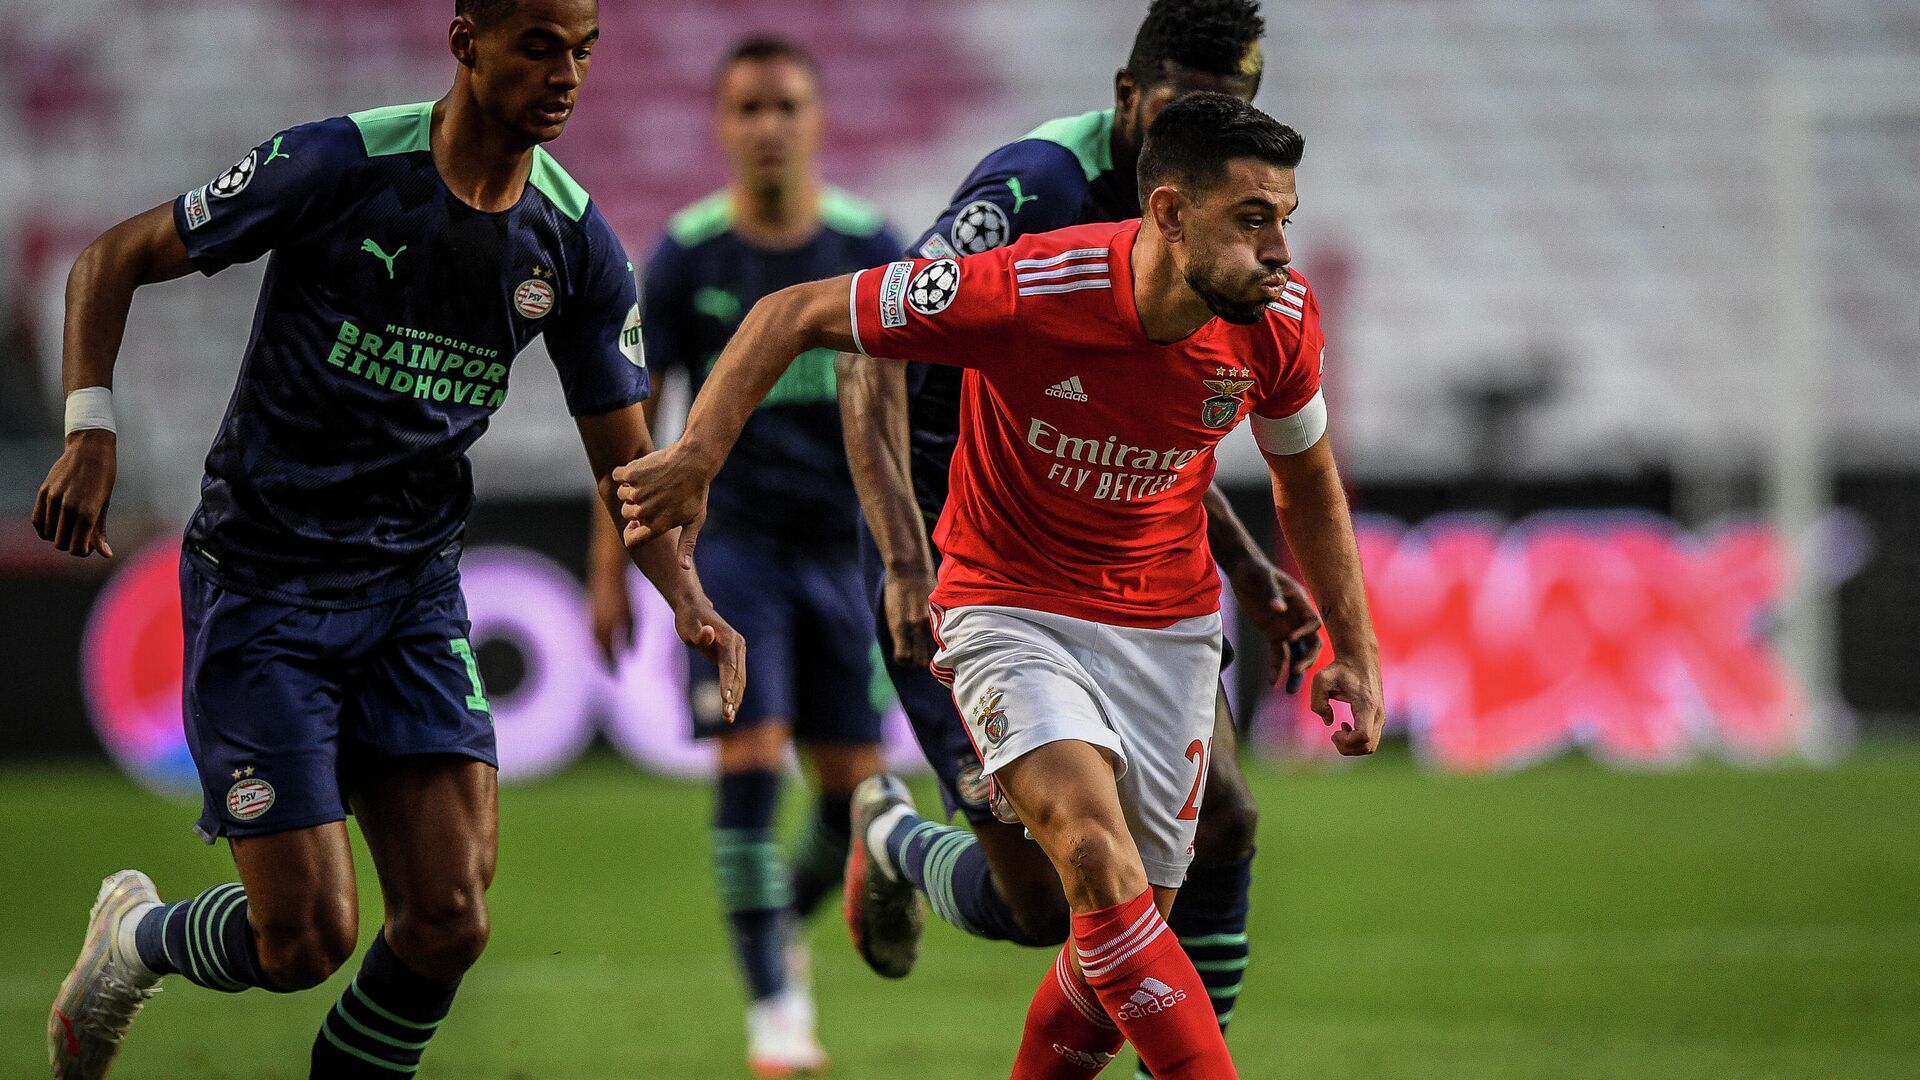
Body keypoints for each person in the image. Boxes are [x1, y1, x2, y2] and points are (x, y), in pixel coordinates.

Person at [614, 92, 1384, 1079]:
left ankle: (889, 835)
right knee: (1094, 861)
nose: (1279, 248)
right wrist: (695, 457)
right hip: (1008, 606)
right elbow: (797, 313)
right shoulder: (1032, 285)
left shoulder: (1277, 321)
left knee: (1101, 939)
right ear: (1168, 214)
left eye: (1284, 216)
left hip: (1167, 624)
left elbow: (1306, 478)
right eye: (1251, 219)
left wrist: (1351, 644)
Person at [36, 2, 741, 1076]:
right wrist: (90, 427)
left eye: (585, 49)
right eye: (540, 44)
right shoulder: (336, 163)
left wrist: (685, 595)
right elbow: (112, 256)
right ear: (467, 42)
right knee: (304, 941)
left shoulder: (579, 244)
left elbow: (625, 467)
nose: (568, 74)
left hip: (411, 594)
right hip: (264, 586)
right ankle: (137, 940)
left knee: (449, 919)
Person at [834, 3, 1313, 1073]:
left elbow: (1164, 427)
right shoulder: (1033, 191)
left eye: (1228, 111)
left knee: (1226, 817)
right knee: (1044, 903)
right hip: (964, 540)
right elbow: (869, 346)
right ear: (1125, 97)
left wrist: (1250, 567)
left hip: (1116, 552)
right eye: (1184, 106)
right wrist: (907, 558)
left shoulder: (1217, 218)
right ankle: (894, 839)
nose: (1205, 126)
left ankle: (1183, 1053)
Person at [584, 36, 901, 1076]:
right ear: (723, 125)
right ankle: (773, 1012)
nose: (770, 126)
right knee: (750, 758)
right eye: (750, 108)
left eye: (788, 106)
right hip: (737, 554)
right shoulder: (685, 255)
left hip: (848, 556)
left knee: (854, 800)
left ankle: (782, 926)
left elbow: (909, 414)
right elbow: (627, 423)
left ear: (818, 120)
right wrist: (612, 568)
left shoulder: (871, 243)